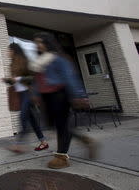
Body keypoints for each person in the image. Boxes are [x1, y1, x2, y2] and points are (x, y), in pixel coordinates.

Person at [29, 32, 97, 169]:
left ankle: (61, 157)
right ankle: (85, 140)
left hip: (59, 95)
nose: (38, 45)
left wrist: (79, 95)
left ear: (47, 43)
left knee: (61, 126)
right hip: (46, 97)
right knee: (55, 125)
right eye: (36, 43)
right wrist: (35, 94)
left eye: (40, 42)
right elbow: (37, 80)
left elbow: (70, 78)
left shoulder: (59, 59)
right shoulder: (39, 60)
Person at [3, 43, 48, 153]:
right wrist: (8, 80)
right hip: (20, 95)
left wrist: (17, 79)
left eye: (9, 51)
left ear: (14, 51)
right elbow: (15, 81)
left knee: (23, 117)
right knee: (32, 119)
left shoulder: (24, 61)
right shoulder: (12, 64)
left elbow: (32, 78)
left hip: (28, 93)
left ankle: (19, 145)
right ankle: (43, 142)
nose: (8, 53)